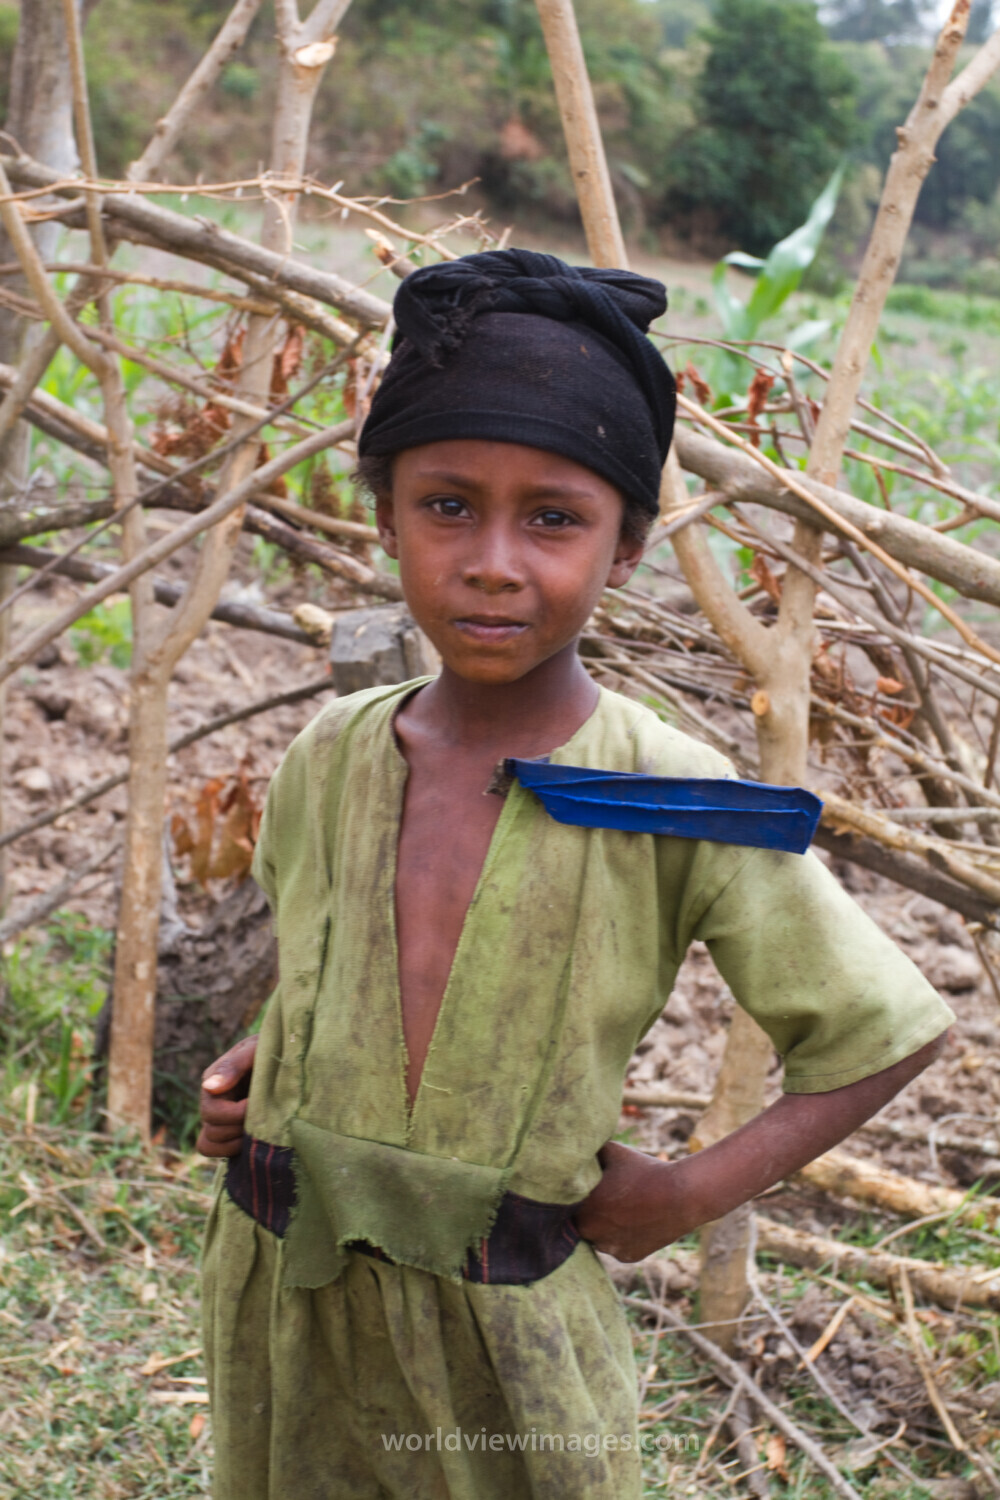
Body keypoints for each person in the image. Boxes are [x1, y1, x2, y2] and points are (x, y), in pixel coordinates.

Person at [198, 249, 953, 1500]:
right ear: (385, 516)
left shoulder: (668, 790)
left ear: (629, 545)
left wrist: (685, 1194)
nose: (495, 560)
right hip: (290, 1286)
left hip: (507, 1332)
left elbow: (885, 1031)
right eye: (447, 506)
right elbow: (323, 972)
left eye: (553, 516)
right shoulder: (328, 755)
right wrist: (253, 1071)